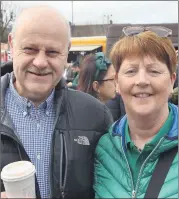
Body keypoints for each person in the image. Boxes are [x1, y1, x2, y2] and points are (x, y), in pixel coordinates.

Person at [0, 5, 113, 199]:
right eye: (30, 49)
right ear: (12, 44)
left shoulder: (96, 116)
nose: (40, 62)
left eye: (52, 52)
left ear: (67, 52)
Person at [93, 26, 178, 198]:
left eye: (153, 71)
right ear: (116, 82)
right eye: (131, 71)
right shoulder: (104, 148)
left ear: (171, 80)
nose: (141, 81)